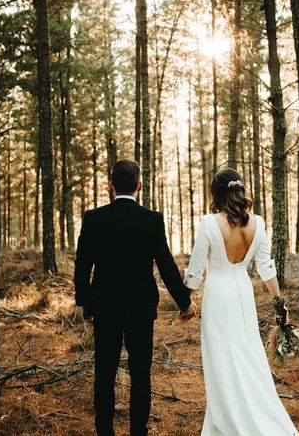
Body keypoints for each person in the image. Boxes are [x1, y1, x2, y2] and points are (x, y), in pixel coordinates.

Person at [74, 159, 196, 436]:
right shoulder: (151, 220)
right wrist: (184, 302)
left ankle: (105, 432)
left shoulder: (93, 218)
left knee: (104, 375)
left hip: (104, 307)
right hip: (141, 309)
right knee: (141, 374)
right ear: (139, 186)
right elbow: (166, 265)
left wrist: (85, 301)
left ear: (110, 187)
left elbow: (82, 264)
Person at [183, 168, 299, 435]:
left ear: (217, 194)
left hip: (218, 297)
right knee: (248, 355)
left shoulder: (210, 223)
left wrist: (185, 301)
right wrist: (280, 304)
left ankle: (227, 423)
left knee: (221, 360)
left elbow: (196, 270)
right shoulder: (257, 223)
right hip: (243, 295)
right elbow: (266, 268)